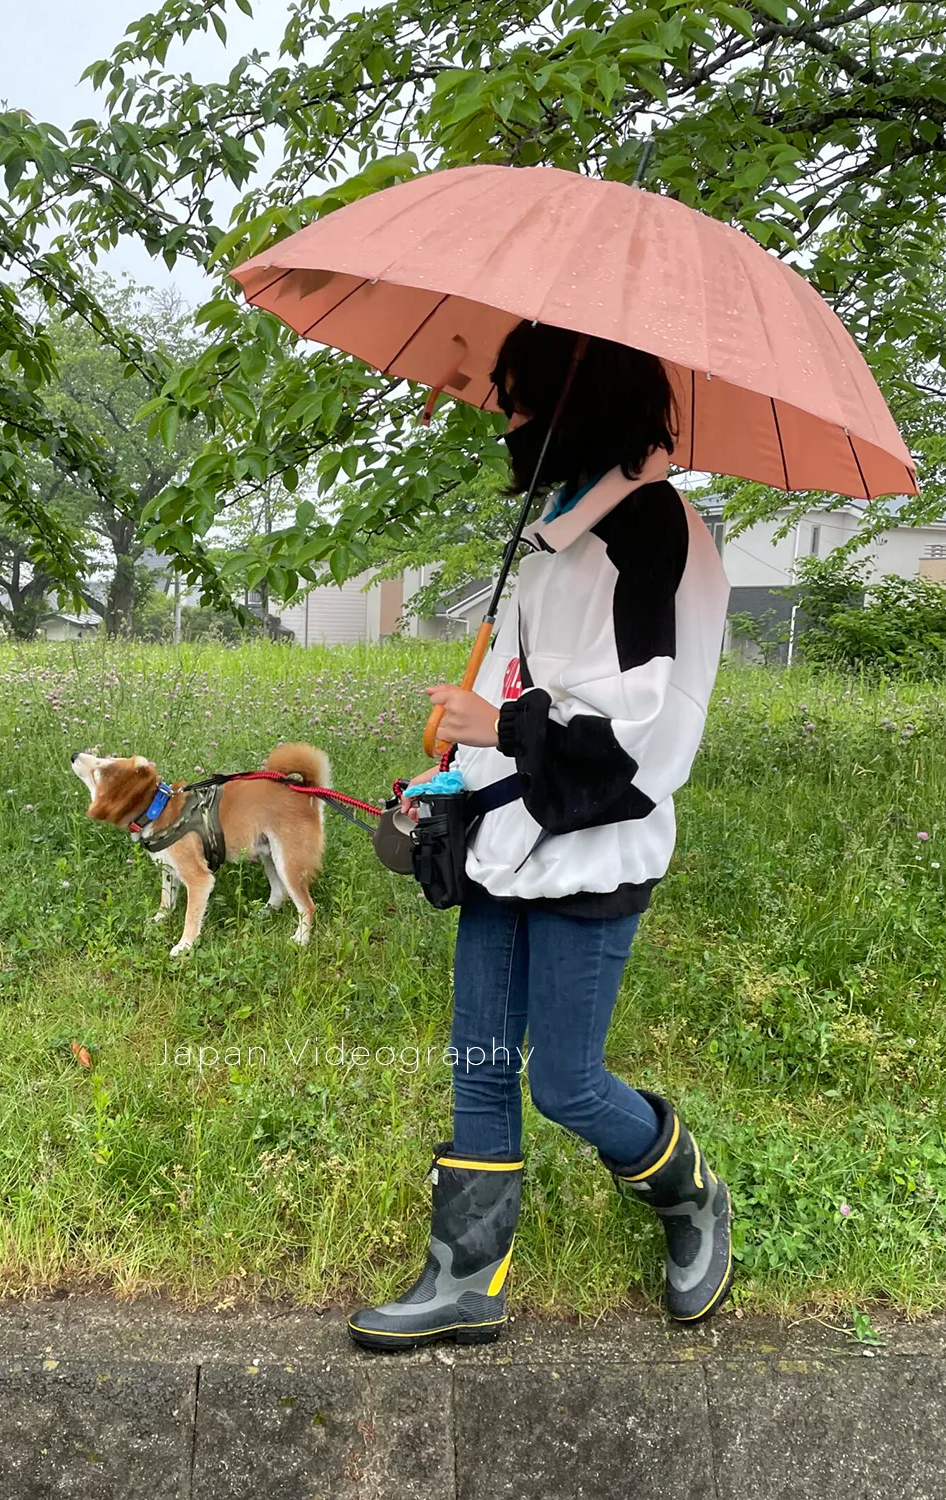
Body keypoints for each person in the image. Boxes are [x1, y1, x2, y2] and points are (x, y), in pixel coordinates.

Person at [348, 320, 732, 1350]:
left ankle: (690, 1192)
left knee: (564, 1083)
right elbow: (515, 685)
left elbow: (651, 727)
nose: (508, 420)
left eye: (523, 400)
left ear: (580, 400)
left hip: (593, 848)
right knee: (479, 1056)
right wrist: (446, 774)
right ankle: (465, 1282)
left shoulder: (655, 533)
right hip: (504, 844)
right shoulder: (559, 523)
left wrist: (503, 727)